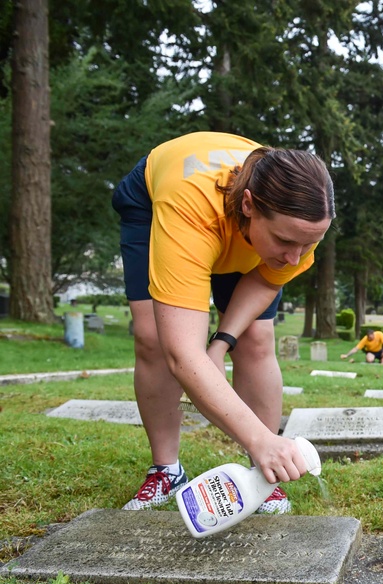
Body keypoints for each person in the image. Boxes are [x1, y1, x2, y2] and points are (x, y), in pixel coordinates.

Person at [112, 131, 334, 513]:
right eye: (285, 241)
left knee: (257, 338)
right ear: (249, 205)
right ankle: (166, 470)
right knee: (152, 336)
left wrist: (220, 343)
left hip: (237, 224)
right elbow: (182, 354)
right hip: (163, 203)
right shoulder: (190, 211)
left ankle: (265, 476)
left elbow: (265, 278)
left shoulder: (301, 222)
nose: (296, 260)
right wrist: (257, 438)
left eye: (308, 245)